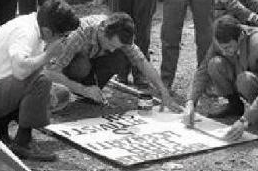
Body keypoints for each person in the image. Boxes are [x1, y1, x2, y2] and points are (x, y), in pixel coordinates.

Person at [0, 0, 80, 162]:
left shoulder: (35, 27)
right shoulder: (26, 32)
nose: (64, 40)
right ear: (48, 31)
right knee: (41, 81)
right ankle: (23, 142)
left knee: (60, 93)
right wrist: (48, 55)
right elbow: (20, 71)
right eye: (63, 36)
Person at [182, 15, 258, 141]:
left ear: (240, 37)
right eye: (222, 47)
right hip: (243, 80)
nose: (224, 51)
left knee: (245, 80)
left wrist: (245, 120)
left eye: (228, 47)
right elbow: (202, 70)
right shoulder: (222, 42)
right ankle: (235, 106)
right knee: (214, 64)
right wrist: (190, 101)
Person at [47, 12, 180, 111]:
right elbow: (51, 72)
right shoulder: (79, 35)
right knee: (81, 66)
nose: (111, 50)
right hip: (68, 68)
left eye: (116, 46)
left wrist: (164, 93)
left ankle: (91, 92)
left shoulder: (119, 34)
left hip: (92, 63)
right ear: (102, 31)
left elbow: (142, 62)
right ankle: (82, 90)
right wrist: (83, 89)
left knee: (120, 57)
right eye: (110, 44)